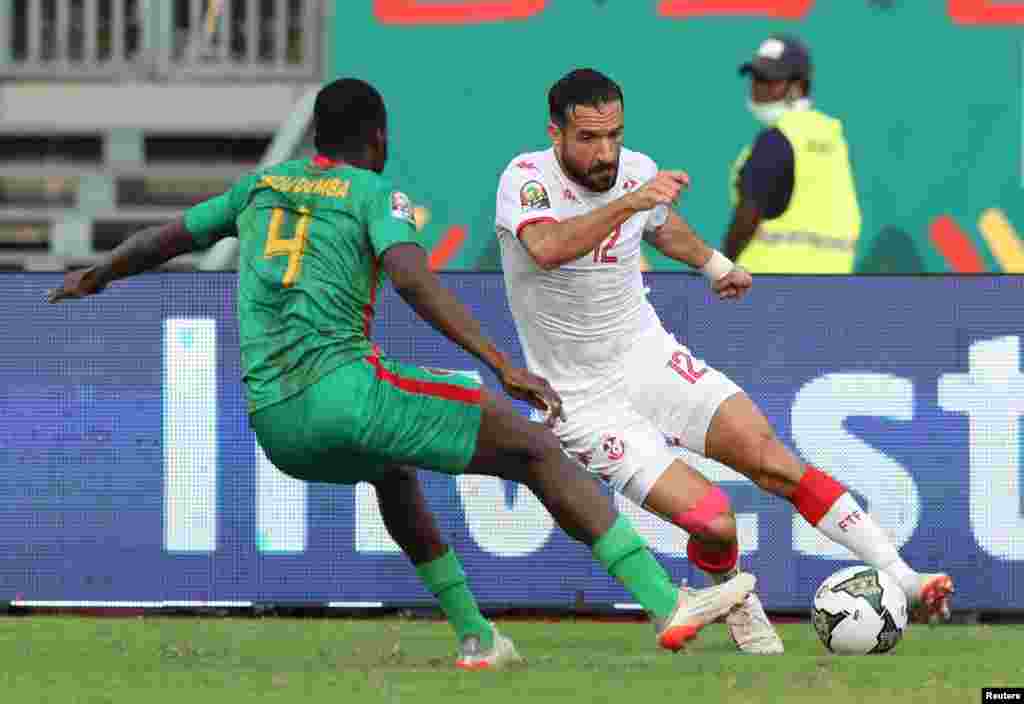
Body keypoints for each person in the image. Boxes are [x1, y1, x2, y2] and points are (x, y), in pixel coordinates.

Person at [46, 78, 756, 669]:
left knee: (392, 472)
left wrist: (96, 276)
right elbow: (414, 280)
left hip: (273, 422)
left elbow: (165, 239)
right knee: (535, 447)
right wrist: (501, 364)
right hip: (343, 392)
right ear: (379, 137)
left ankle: (477, 638)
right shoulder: (373, 194)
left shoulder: (257, 187)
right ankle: (665, 601)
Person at [493, 68, 953, 655]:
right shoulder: (526, 179)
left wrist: (714, 264)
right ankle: (737, 599)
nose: (605, 152)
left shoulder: (635, 171)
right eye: (588, 138)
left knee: (774, 462)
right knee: (715, 523)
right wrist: (631, 201)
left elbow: (661, 227)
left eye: (614, 135)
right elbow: (547, 247)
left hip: (649, 358)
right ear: (555, 133)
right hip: (581, 397)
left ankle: (906, 579)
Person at [724, 35, 862, 273]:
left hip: (769, 283)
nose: (757, 88)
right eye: (755, 78)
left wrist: (721, 267)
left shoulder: (777, 140)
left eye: (769, 80)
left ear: (799, 87)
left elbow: (747, 217)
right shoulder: (831, 136)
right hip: (834, 281)